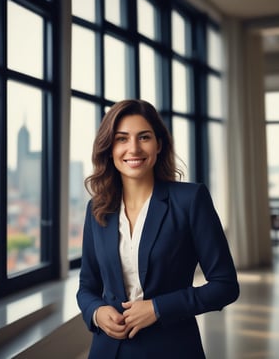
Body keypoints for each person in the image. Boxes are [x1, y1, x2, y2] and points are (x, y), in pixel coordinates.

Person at [76, 99, 239, 359]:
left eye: (144, 137)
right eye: (121, 139)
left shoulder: (190, 200)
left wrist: (157, 308)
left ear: (159, 145)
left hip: (172, 347)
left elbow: (225, 286)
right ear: (109, 148)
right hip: (108, 350)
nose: (133, 148)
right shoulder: (97, 209)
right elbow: (87, 286)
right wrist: (96, 312)